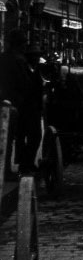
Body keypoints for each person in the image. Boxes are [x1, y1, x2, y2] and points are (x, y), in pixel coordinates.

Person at [0, 30, 44, 173]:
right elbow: (24, 84)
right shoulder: (19, 61)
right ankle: (25, 163)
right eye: (24, 43)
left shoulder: (5, 58)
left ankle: (16, 164)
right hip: (23, 105)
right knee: (33, 135)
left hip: (10, 102)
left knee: (11, 137)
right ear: (18, 45)